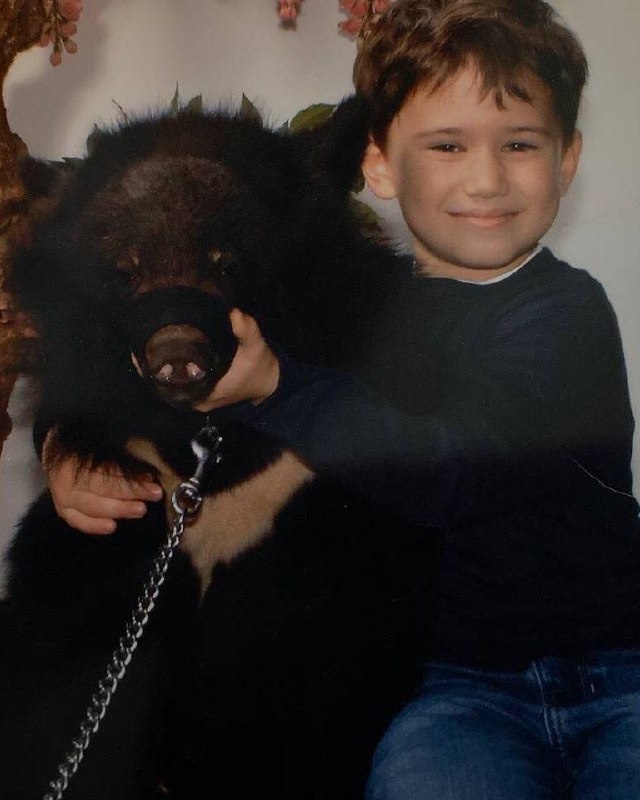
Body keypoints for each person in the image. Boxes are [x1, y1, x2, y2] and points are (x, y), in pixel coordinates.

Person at [43, 0, 640, 797]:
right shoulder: (359, 307)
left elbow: (455, 471)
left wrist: (279, 389)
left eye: (520, 144)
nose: (486, 178)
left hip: (617, 671)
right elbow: (119, 365)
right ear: (378, 165)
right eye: (448, 145)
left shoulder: (563, 315)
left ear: (567, 160)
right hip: (458, 692)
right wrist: (64, 443)